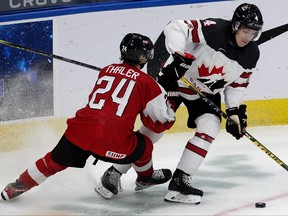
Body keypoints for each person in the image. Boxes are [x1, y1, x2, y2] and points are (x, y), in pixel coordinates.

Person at [98, 3, 264, 204]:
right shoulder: (215, 29)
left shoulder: (252, 53)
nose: (248, 36)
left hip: (205, 93)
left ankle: (180, 181)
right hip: (176, 81)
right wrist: (178, 56)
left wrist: (234, 110)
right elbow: (175, 27)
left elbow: (238, 82)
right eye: (245, 30)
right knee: (155, 126)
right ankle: (114, 171)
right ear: (236, 25)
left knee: (210, 126)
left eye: (253, 33)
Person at [0, 33, 185, 201]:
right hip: (115, 143)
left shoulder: (106, 70)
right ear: (146, 57)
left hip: (80, 132)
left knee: (52, 162)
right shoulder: (148, 84)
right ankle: (145, 178)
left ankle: (15, 187)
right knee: (144, 146)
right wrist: (172, 93)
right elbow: (161, 122)